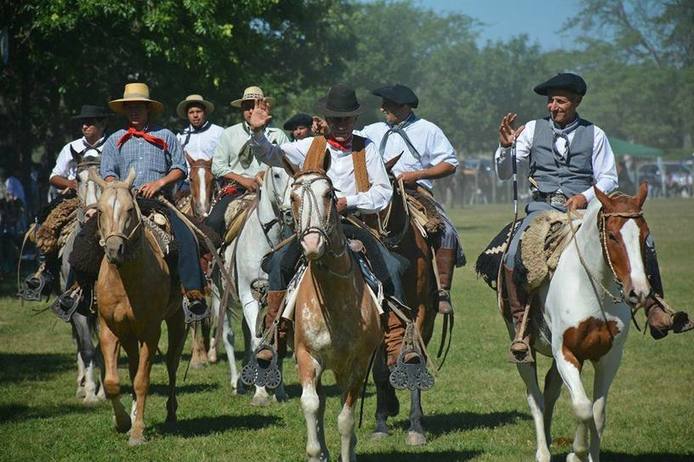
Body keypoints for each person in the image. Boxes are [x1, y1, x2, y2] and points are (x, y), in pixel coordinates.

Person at [495, 72, 692, 362]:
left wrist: (585, 197)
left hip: (585, 211)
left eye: (560, 101)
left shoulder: (595, 134)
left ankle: (655, 309)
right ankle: (522, 331)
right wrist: (505, 147)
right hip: (542, 209)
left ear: (576, 102)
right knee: (513, 255)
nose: (553, 106)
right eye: (550, 101)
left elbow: (608, 178)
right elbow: (504, 173)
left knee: (640, 241)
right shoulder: (531, 130)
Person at [248, 84, 412, 368]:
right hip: (312, 226)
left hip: (352, 222)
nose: (341, 125)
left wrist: (348, 201)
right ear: (326, 120)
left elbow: (382, 192)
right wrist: (257, 132)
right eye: (336, 119)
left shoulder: (366, 147)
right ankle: (273, 336)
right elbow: (271, 155)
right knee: (277, 264)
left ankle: (397, 342)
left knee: (393, 267)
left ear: (355, 120)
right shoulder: (309, 145)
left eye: (346, 119)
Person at [100, 82, 208, 322]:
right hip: (122, 202)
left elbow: (180, 167)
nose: (134, 112)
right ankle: (77, 290)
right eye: (130, 107)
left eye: (139, 107)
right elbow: (107, 171)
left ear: (148, 109)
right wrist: (119, 187)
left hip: (158, 201)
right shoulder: (114, 140)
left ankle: (193, 293)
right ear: (125, 110)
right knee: (87, 234)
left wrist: (159, 184)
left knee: (186, 235)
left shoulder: (165, 135)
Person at [359, 84, 465, 315]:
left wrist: (417, 175)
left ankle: (443, 291)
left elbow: (449, 164)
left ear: (404, 106)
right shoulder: (371, 131)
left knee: (446, 231)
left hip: (415, 192)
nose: (382, 108)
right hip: (377, 193)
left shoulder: (428, 130)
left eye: (387, 105)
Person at [206, 86, 289, 235]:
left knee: (292, 221)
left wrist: (266, 174)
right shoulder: (229, 133)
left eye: (256, 106)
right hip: (237, 189)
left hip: (272, 189)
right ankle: (210, 256)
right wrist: (243, 180)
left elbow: (287, 164)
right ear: (242, 110)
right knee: (213, 222)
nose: (252, 111)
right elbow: (217, 167)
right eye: (248, 107)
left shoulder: (278, 135)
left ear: (265, 108)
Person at [50, 105, 110, 193]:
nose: (84, 127)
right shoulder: (70, 147)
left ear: (102, 124)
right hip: (75, 197)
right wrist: (69, 183)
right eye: (82, 123)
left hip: (107, 195)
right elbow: (53, 177)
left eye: (89, 123)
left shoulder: (112, 146)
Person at [176, 94, 224, 164]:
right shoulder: (181, 136)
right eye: (191, 112)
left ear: (205, 113)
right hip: (188, 174)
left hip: (214, 174)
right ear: (187, 115)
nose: (195, 115)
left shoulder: (219, 132)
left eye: (198, 111)